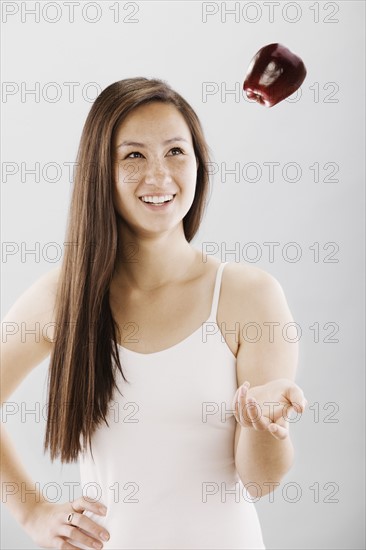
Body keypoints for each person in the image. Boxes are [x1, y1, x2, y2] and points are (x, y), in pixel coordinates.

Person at [1, 77, 307, 550]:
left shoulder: (250, 296)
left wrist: (264, 426)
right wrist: (33, 512)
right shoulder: (65, 296)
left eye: (176, 152)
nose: (160, 177)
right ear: (99, 171)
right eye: (134, 155)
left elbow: (260, 481)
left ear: (199, 164)